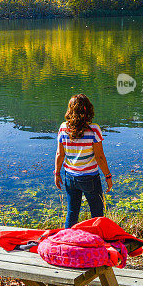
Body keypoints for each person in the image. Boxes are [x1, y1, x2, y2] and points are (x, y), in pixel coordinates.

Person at [55, 93, 112, 229]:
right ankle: (98, 242)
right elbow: (99, 157)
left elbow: (59, 154)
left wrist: (57, 174)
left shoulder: (63, 128)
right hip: (90, 178)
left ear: (70, 110)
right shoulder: (94, 130)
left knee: (72, 213)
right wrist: (108, 176)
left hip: (70, 177)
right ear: (88, 109)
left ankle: (67, 241)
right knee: (97, 214)